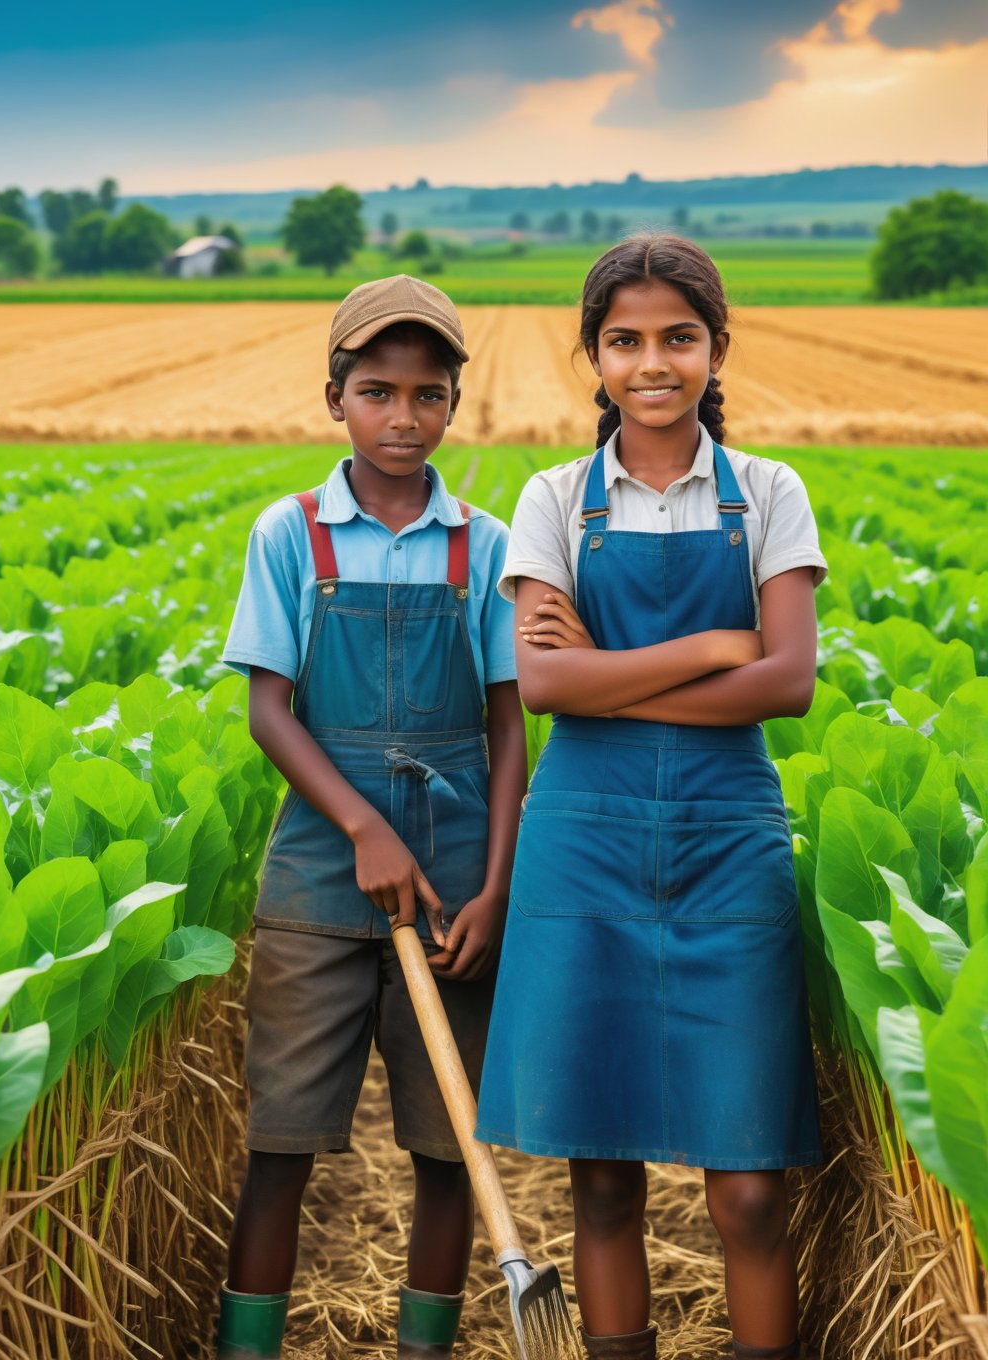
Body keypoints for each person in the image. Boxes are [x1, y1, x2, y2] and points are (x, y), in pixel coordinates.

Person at [475, 234, 826, 1360]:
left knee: (748, 1194)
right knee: (604, 1181)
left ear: (716, 347)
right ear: (593, 355)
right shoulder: (552, 497)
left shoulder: (769, 491)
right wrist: (716, 645)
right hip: (582, 849)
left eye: (677, 336)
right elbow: (540, 683)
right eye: (624, 340)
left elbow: (788, 683)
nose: (652, 361)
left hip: (732, 846)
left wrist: (613, 683)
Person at [217, 275, 526, 1359]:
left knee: (452, 1149)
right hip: (317, 867)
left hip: (453, 875)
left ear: (452, 405)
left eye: (428, 395)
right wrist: (362, 826)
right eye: (378, 392)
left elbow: (508, 729)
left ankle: (422, 1346)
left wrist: (494, 887)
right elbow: (269, 708)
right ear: (334, 398)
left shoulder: (480, 543)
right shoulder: (290, 532)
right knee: (280, 1140)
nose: (404, 418)